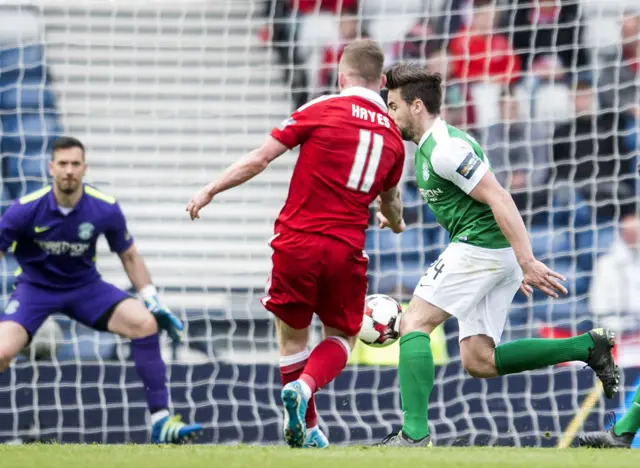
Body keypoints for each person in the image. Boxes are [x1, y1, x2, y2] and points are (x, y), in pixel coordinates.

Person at [376, 63, 620, 447]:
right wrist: (509, 260)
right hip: (491, 252)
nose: (390, 114)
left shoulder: (445, 149)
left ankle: (414, 436)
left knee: (414, 323)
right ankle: (587, 347)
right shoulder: (432, 148)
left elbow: (499, 196)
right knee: (478, 360)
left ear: (417, 106)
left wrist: (522, 259)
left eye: (393, 106)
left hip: (481, 247)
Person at [186, 39, 406, 448]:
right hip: (345, 248)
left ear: (342, 75)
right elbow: (392, 204)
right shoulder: (393, 137)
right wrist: (395, 224)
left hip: (296, 242)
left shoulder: (321, 108)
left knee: (291, 339)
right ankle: (309, 411)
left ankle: (305, 413)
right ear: (381, 84)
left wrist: (211, 189)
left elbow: (260, 158)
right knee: (343, 337)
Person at [0, 137, 202, 444]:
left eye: (75, 164)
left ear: (85, 168)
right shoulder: (25, 210)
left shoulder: (104, 208)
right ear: (51, 167)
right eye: (63, 164)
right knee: (1, 352)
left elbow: (130, 255)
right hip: (35, 289)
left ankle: (161, 421)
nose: (69, 171)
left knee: (145, 323)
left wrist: (152, 299)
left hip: (84, 287)